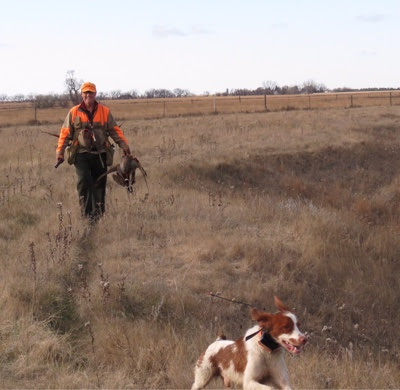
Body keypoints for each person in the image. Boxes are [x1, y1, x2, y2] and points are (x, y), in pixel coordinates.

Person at [56, 81, 132, 220]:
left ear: (95, 94)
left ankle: (99, 215)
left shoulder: (105, 111)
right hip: (81, 154)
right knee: (84, 182)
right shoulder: (74, 112)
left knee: (99, 183)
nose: (88, 95)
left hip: (100, 154)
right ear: (82, 94)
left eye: (91, 92)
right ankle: (86, 214)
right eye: (85, 92)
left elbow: (115, 131)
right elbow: (65, 133)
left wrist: (124, 146)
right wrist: (60, 152)